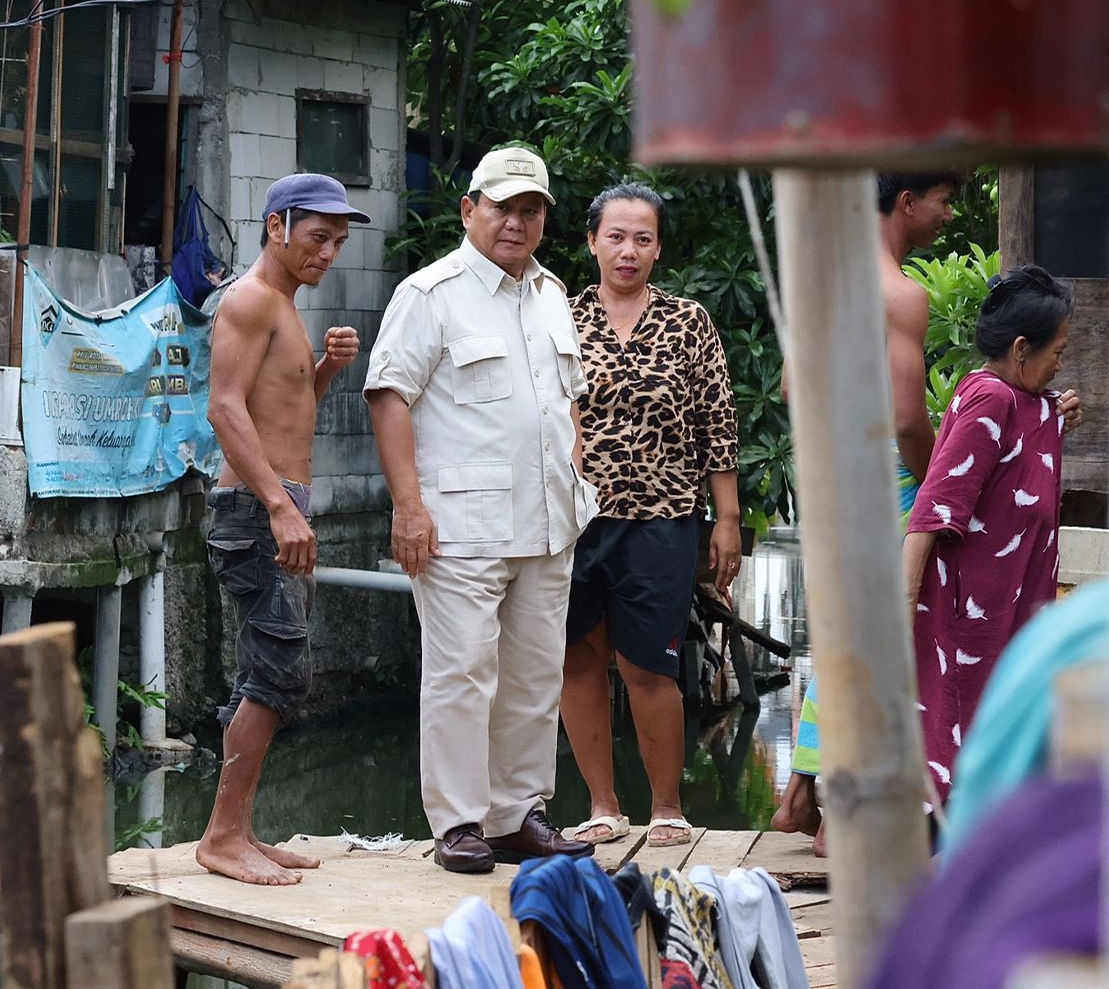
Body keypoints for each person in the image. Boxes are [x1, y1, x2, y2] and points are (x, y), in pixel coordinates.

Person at [365, 145, 599, 873]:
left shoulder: (553, 293)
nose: (516, 222)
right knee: (463, 672)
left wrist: (575, 462)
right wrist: (409, 508)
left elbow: (568, 399)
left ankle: (515, 814)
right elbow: (389, 396)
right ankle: (460, 824)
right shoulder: (430, 294)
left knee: (534, 675)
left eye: (531, 210)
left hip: (547, 519)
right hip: (460, 523)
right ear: (470, 210)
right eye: (503, 207)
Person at [772, 170, 959, 852]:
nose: (947, 215)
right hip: (891, 480)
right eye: (943, 199)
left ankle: (806, 795)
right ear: (907, 201)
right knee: (886, 638)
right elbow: (909, 418)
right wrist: (947, 478)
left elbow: (795, 386)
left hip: (832, 477)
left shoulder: (823, 282)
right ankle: (839, 808)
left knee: (849, 633)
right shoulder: (901, 294)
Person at [196, 173, 369, 885]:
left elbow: (287, 409)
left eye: (337, 242)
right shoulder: (249, 300)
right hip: (257, 510)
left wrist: (326, 367)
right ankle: (221, 837)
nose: (328, 253)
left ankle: (238, 831)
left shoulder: (285, 308)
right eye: (317, 237)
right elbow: (224, 409)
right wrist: (277, 505)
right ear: (277, 227)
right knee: (278, 670)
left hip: (279, 506)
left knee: (268, 671)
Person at [558, 183, 742, 849]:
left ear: (659, 246)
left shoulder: (688, 322)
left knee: (648, 666)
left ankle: (667, 807)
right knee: (578, 660)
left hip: (664, 516)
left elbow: (717, 424)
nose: (628, 250)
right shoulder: (559, 316)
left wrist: (726, 518)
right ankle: (602, 805)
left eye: (642, 238)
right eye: (616, 236)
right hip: (574, 519)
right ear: (592, 241)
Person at [904, 264, 1079, 804]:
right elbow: (935, 506)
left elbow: (1022, 449)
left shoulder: (1025, 401)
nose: (1060, 362)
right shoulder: (991, 398)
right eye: (1057, 350)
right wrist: (902, 600)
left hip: (1012, 607)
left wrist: (1055, 412)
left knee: (1003, 733)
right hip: (970, 612)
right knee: (963, 735)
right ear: (1022, 348)